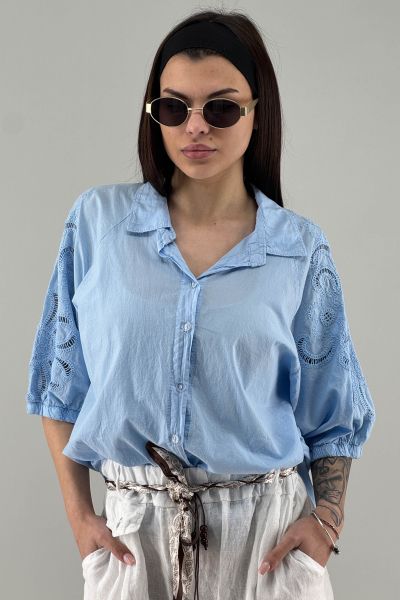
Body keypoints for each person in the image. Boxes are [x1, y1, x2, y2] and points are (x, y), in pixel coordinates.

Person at [25, 8, 376, 600]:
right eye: (174, 108)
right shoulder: (97, 225)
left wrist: (326, 522)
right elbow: (59, 386)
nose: (195, 127)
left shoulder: (299, 250)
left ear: (257, 111)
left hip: (267, 544)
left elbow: (332, 412)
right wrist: (80, 519)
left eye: (221, 108)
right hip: (133, 541)